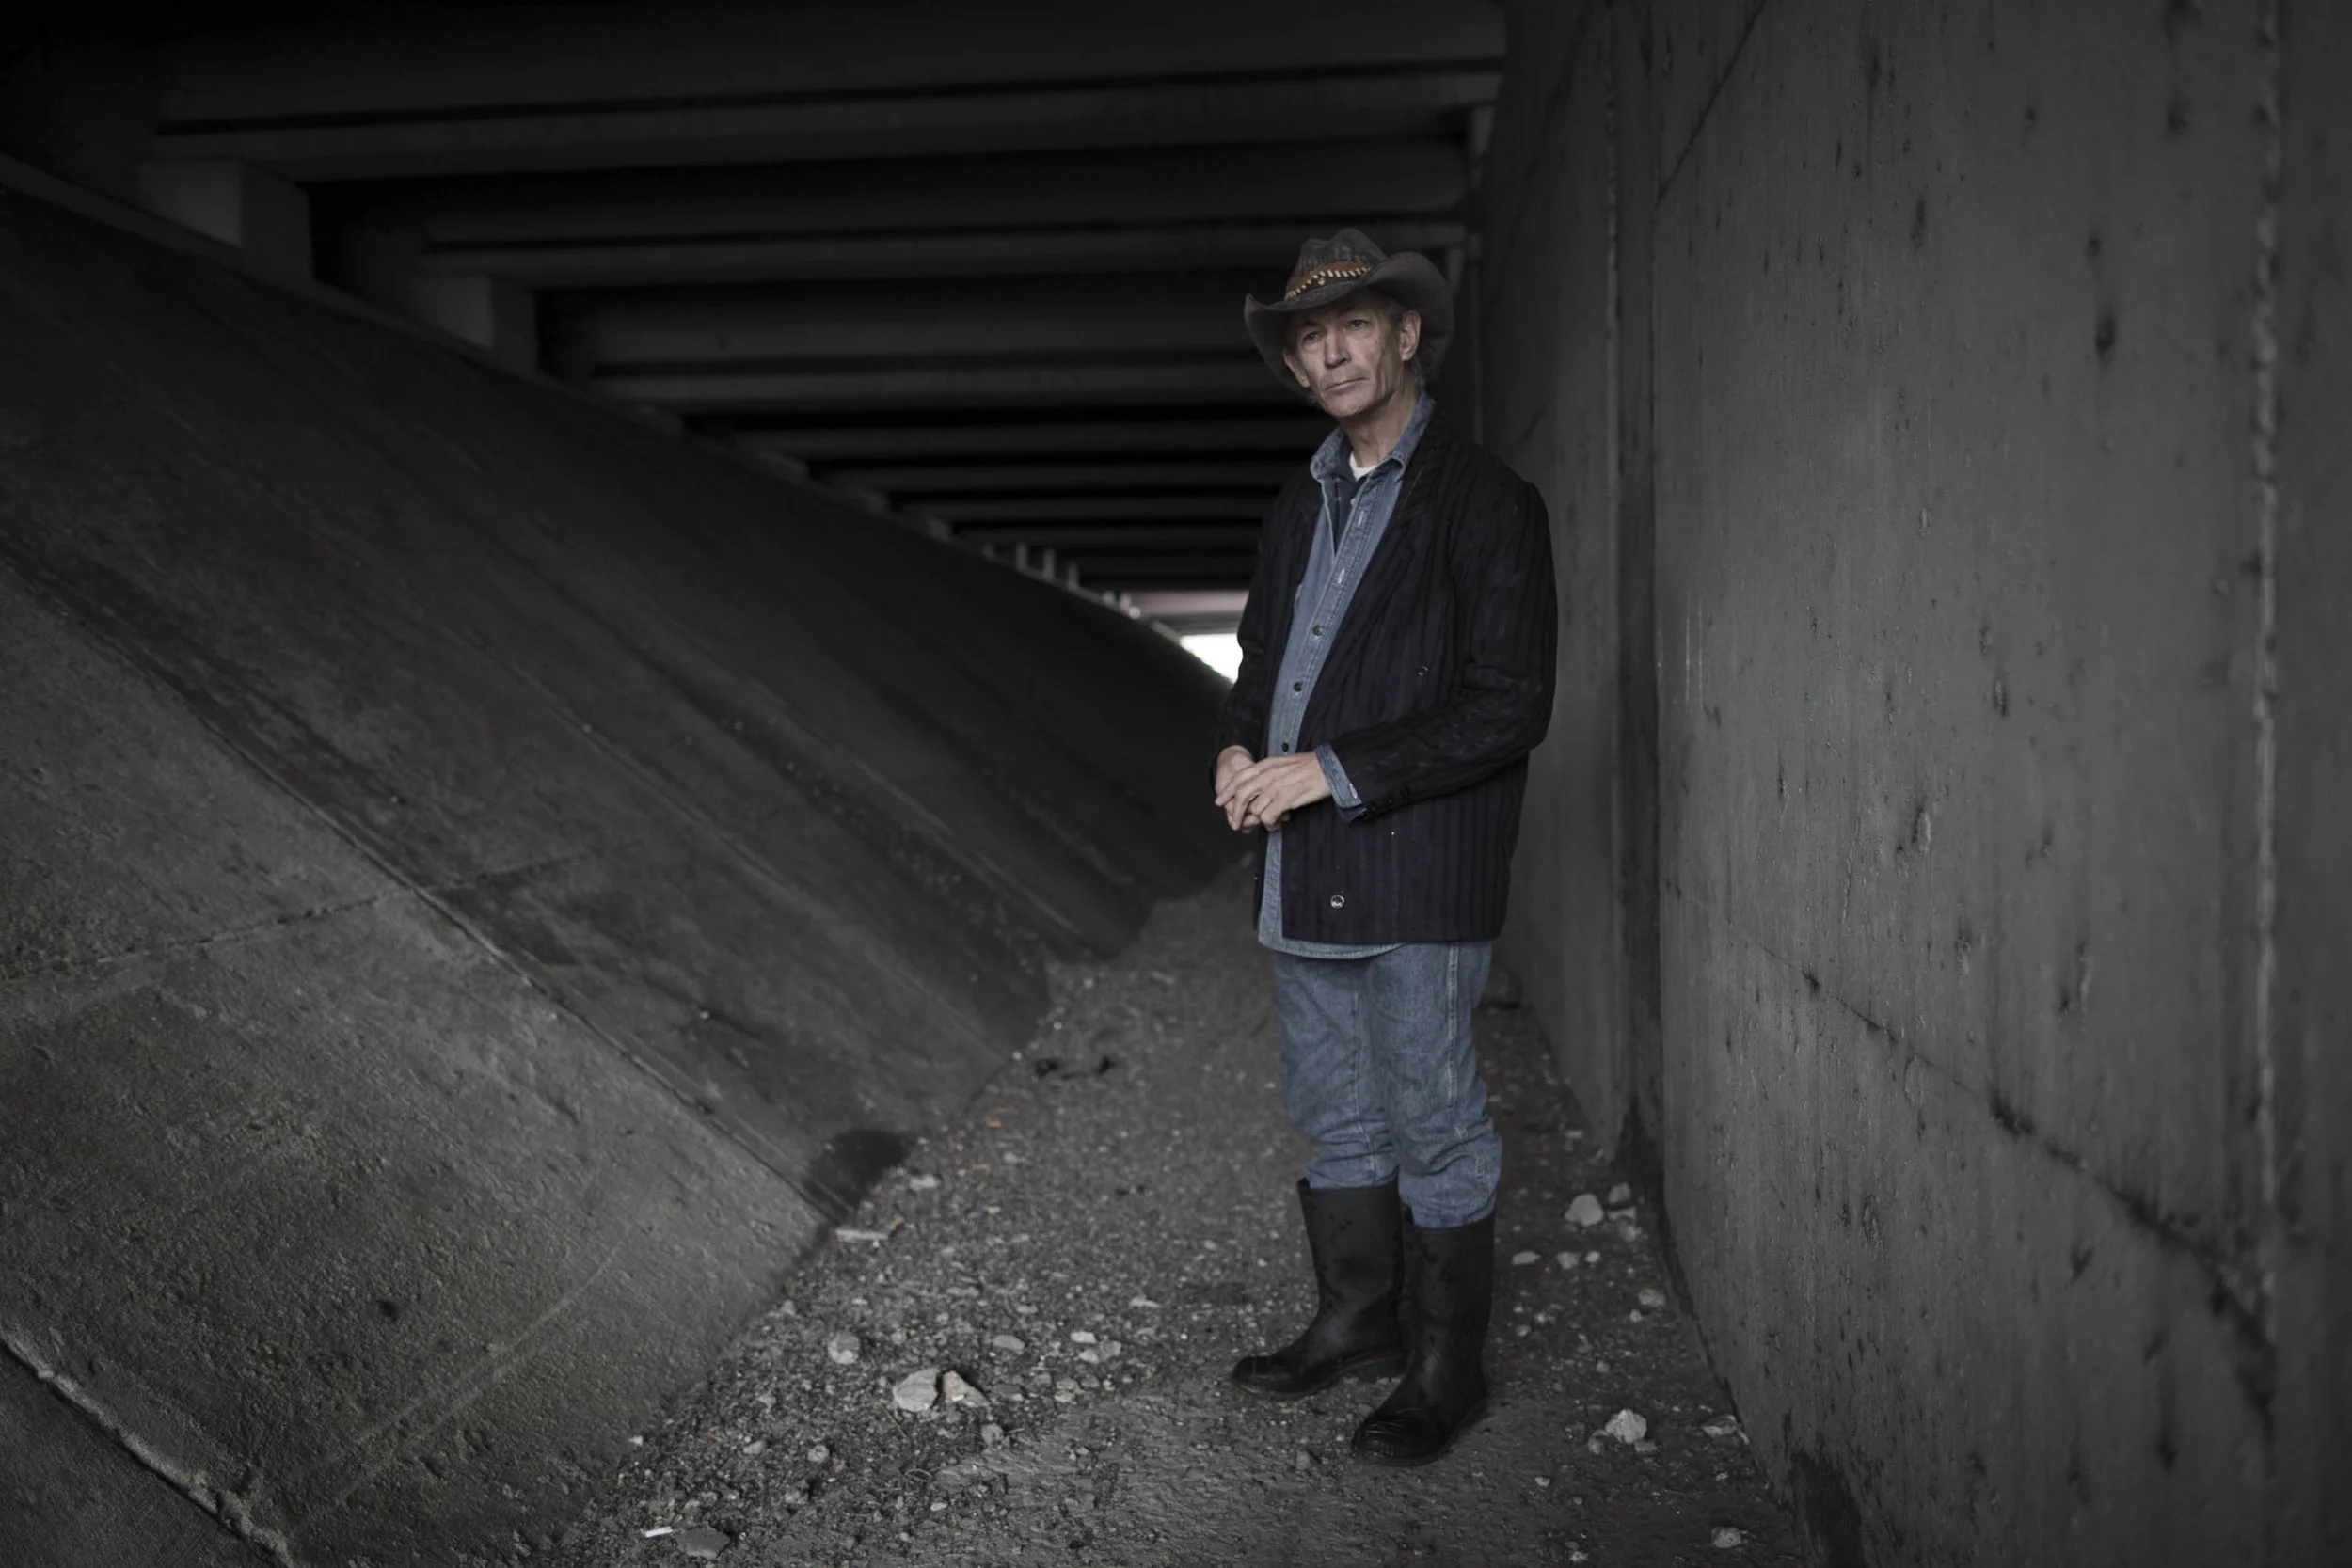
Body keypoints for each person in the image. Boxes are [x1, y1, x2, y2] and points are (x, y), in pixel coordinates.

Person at [1213, 229, 1558, 1465]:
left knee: (1432, 1117)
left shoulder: (1487, 502)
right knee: (1336, 1112)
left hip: (1419, 867)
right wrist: (1238, 747)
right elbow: (1262, 663)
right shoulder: (1296, 504)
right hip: (1306, 868)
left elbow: (1510, 703)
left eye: (1354, 324)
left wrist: (1332, 769)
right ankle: (1358, 1323)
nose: (1332, 352)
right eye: (1310, 336)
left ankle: (1445, 1370)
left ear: (1408, 334)